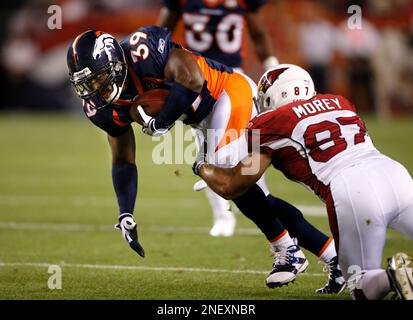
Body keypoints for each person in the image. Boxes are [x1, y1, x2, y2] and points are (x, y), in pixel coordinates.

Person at [66, 27, 344, 291]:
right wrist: (126, 212)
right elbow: (123, 160)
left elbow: (193, 79)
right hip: (202, 120)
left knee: (233, 184)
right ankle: (331, 257)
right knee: (253, 195)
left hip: (226, 91)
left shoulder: (142, 51)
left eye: (97, 78)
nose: (94, 89)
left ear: (114, 63)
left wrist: (163, 121)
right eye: (86, 84)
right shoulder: (102, 107)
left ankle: (291, 251)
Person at [193, 64, 413, 300]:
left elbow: (233, 185)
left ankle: (394, 276)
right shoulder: (340, 102)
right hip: (396, 175)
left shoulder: (273, 121)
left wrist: (202, 165)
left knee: (361, 286)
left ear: (279, 93)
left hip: (354, 190)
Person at [158, 0, 279, 237]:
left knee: (248, 150)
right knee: (208, 151)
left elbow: (258, 31)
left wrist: (273, 67)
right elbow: (160, 36)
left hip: (234, 81)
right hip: (198, 80)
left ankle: (265, 207)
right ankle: (223, 215)